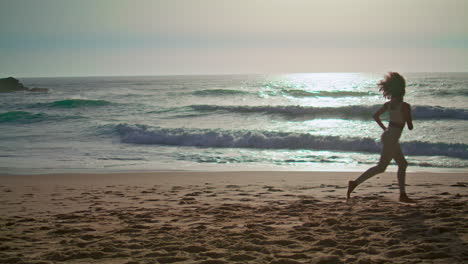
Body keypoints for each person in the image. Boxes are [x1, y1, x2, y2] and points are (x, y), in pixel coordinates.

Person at [347, 72, 416, 203]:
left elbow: (375, 116)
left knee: (402, 164)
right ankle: (354, 183)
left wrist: (385, 128)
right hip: (391, 138)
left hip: (389, 135)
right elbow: (410, 126)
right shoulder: (405, 106)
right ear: (402, 91)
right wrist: (408, 117)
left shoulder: (388, 105)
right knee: (381, 167)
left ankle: (402, 195)